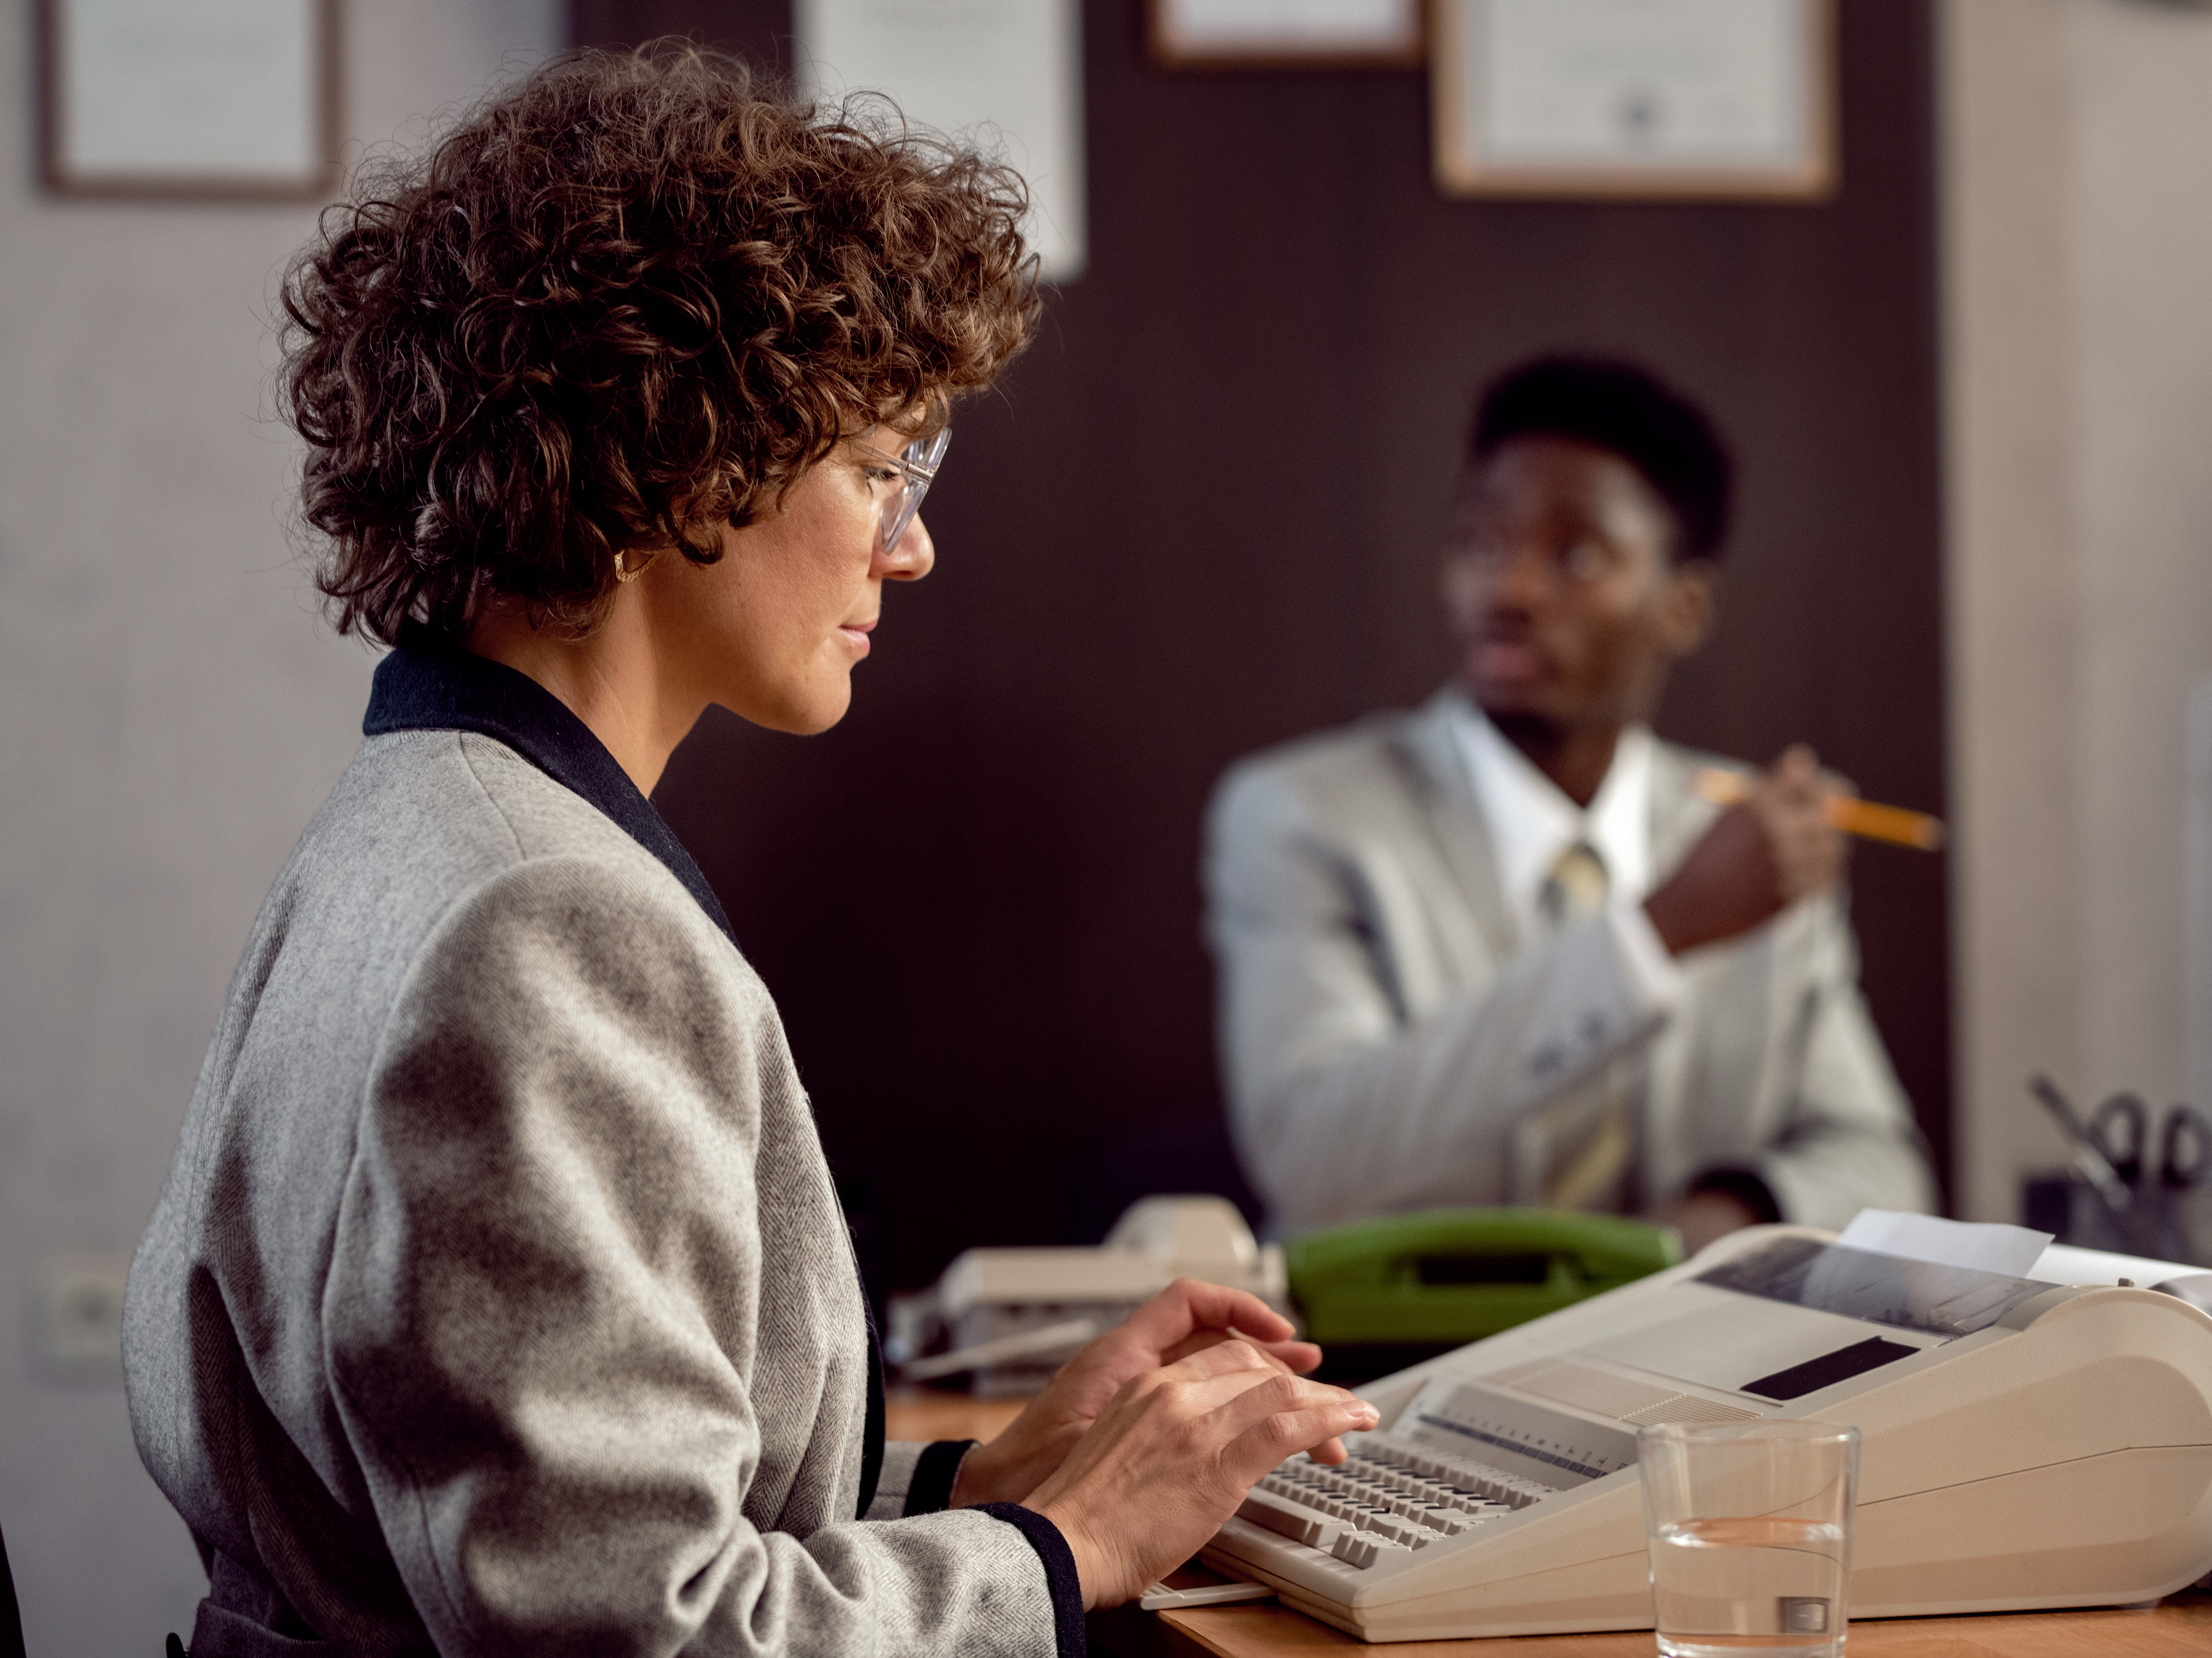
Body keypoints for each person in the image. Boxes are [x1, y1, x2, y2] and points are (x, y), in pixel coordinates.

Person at [123, 48, 1374, 1656]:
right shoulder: (546, 922)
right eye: (880, 469)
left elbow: (548, 1502)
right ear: (678, 454)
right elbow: (633, 1632)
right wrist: (1066, 1547)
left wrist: (986, 1476)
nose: (912, 545)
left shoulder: (409, 824)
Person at [1205, 357, 1935, 1247]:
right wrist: (1655, 935)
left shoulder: (1751, 841)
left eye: (1574, 555)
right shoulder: (1302, 817)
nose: (1507, 591)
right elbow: (1316, 1160)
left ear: (1684, 607)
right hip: (1376, 1369)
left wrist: (1734, 1214)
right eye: (1481, 542)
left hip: (1686, 1363)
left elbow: (1883, 1165)